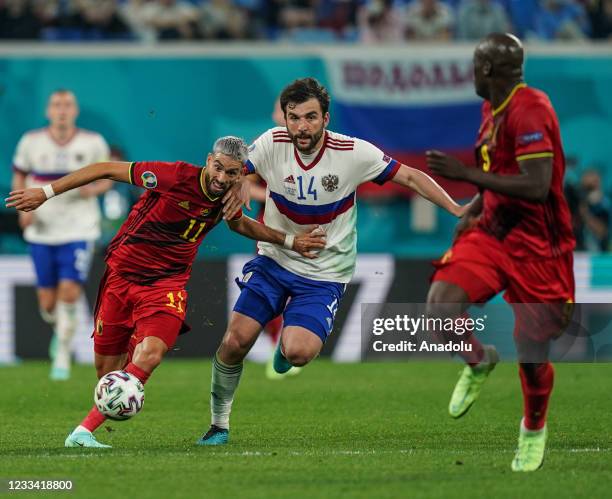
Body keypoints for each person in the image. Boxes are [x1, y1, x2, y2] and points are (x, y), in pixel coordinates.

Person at [5, 136, 326, 448]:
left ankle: (81, 432)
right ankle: (121, 376)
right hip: (121, 278)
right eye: (218, 168)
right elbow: (103, 168)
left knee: (151, 354)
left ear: (240, 173)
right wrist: (45, 193)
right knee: (107, 375)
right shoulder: (172, 176)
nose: (222, 177)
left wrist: (290, 241)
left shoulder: (228, 194)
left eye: (231, 173)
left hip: (166, 286)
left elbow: (239, 224)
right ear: (208, 161)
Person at [197, 77, 468, 446]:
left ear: (326, 118)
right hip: (276, 259)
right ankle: (219, 425)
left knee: (299, 352)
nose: (301, 126)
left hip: (325, 271)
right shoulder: (271, 143)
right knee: (234, 341)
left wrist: (454, 207)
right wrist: (238, 180)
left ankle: (286, 347)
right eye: (294, 118)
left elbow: (408, 176)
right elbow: (233, 167)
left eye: (310, 117)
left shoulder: (353, 152)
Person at [425, 33, 575, 472]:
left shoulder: (531, 108)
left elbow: (535, 184)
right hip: (493, 232)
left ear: (488, 69)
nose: (471, 73)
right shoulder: (492, 107)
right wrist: (472, 206)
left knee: (531, 354)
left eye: (474, 65)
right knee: (439, 308)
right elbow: (498, 170)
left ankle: (532, 428)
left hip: (538, 247)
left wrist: (463, 173)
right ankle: (478, 360)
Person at [11, 89, 112, 381]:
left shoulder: (92, 143)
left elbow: (108, 178)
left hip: (79, 227)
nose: (62, 110)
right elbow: (20, 173)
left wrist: (92, 189)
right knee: (48, 304)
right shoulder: (31, 142)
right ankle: (62, 331)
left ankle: (63, 354)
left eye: (67, 105)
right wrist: (22, 209)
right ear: (48, 111)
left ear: (75, 110)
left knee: (70, 291)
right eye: (57, 105)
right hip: (43, 229)